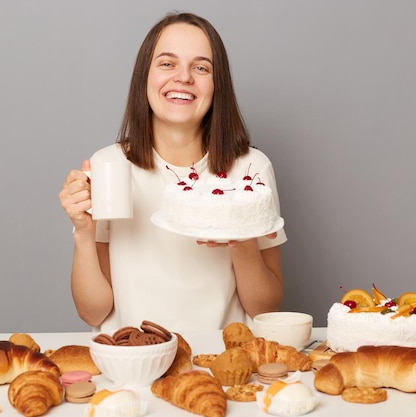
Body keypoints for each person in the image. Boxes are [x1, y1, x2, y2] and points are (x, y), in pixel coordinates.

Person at [59, 12, 287, 332]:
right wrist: (83, 233)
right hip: (133, 362)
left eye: (201, 67)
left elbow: (266, 308)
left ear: (217, 84)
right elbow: (93, 313)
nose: (183, 77)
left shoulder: (251, 169)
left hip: (222, 364)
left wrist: (243, 236)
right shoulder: (109, 168)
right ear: (144, 77)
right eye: (167, 64)